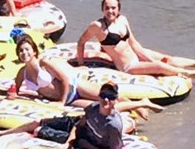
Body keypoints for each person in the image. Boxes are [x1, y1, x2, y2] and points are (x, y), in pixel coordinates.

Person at [11, 33, 164, 117]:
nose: (24, 53)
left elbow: (64, 79)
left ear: (34, 50)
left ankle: (138, 105)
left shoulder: (43, 62)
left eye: (27, 49)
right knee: (101, 108)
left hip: (74, 88)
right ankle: (141, 104)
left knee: (109, 97)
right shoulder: (21, 74)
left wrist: (61, 102)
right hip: (70, 101)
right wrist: (14, 96)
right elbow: (15, 91)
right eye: (21, 51)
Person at [0, 82, 126, 149]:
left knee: (38, 130)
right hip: (76, 127)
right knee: (38, 122)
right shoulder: (93, 107)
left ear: (115, 99)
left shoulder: (113, 125)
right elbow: (79, 124)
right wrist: (69, 141)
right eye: (103, 95)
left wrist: (83, 145)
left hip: (86, 140)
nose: (106, 99)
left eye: (111, 97)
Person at [77, 0, 195, 78]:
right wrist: (81, 64)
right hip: (128, 66)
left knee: (166, 59)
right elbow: (81, 42)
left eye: (113, 8)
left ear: (119, 9)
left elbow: (133, 43)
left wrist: (148, 59)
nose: (110, 11)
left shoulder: (123, 20)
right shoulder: (97, 26)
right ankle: (187, 73)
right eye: (107, 8)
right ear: (102, 9)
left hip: (135, 54)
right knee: (159, 66)